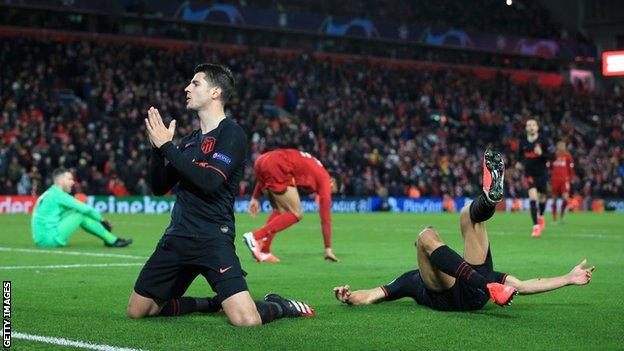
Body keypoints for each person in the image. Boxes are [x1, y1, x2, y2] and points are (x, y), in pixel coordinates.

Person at [127, 63, 315, 326]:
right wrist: (157, 152)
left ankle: (280, 306)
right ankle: (213, 303)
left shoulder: (232, 134)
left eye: (195, 83)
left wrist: (168, 148)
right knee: (138, 311)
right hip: (178, 236)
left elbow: (210, 182)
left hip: (213, 238)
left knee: (246, 320)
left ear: (215, 92)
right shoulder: (189, 141)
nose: (187, 88)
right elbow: (159, 188)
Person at [333, 148, 594, 311]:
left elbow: (373, 295)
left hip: (467, 292)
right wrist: (349, 296)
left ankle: (489, 200)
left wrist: (568, 278)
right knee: (464, 218)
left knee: (452, 220)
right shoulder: (411, 279)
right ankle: (487, 205)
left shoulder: (412, 279)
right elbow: (368, 296)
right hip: (479, 290)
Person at [241, 149, 339, 263]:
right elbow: (325, 218)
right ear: (332, 181)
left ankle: (264, 251)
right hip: (278, 165)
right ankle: (254, 236)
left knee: (280, 210)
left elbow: (270, 164)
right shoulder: (326, 179)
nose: (329, 192)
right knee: (296, 213)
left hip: (262, 160)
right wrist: (328, 248)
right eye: (332, 190)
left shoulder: (315, 167)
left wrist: (255, 197)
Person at [31, 167, 132, 248]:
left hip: (40, 238)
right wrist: (102, 220)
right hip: (49, 239)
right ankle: (111, 240)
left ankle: (110, 239)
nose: (73, 182)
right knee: (80, 213)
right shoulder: (59, 195)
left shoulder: (49, 193)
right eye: (69, 179)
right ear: (61, 180)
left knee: (76, 212)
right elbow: (86, 208)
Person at [515, 118, 552, 237]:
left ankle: (540, 217)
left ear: (537, 127)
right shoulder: (522, 142)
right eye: (529, 125)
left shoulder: (543, 140)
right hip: (529, 174)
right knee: (533, 197)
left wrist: (542, 153)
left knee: (542, 197)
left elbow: (552, 156)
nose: (531, 127)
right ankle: (535, 226)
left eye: (533, 125)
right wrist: (519, 164)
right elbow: (520, 157)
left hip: (542, 174)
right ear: (526, 128)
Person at [549, 141, 574, 224]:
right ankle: (554, 219)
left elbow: (570, 169)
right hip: (555, 180)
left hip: (564, 181)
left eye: (563, 146)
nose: (561, 148)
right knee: (554, 200)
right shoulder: (553, 156)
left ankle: (562, 216)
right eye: (560, 146)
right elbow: (550, 167)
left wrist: (570, 178)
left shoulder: (567, 156)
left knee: (565, 198)